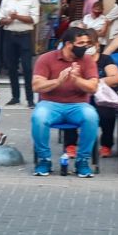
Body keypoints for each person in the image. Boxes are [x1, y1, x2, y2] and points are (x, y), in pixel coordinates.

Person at [31, 27, 99, 178]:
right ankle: (44, 159)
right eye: (81, 43)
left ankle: (82, 161)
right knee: (39, 117)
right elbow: (36, 86)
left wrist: (76, 79)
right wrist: (58, 81)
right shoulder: (46, 58)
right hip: (50, 104)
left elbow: (93, 87)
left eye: (87, 43)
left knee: (91, 116)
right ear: (68, 44)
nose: (85, 47)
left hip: (78, 105)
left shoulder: (87, 60)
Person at [62, 30, 118, 158]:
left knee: (107, 112)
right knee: (70, 107)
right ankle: (70, 145)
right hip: (80, 95)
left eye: (90, 44)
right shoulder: (77, 59)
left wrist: (93, 82)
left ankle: (106, 145)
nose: (87, 47)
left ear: (97, 45)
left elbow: (115, 78)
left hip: (100, 96)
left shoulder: (105, 59)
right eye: (83, 44)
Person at [0, 0, 39, 108]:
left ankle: (30, 98)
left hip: (25, 36)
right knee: (11, 67)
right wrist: (8, 20)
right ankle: (15, 96)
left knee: (27, 68)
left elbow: (34, 19)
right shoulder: (6, 0)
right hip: (10, 36)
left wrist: (17, 17)